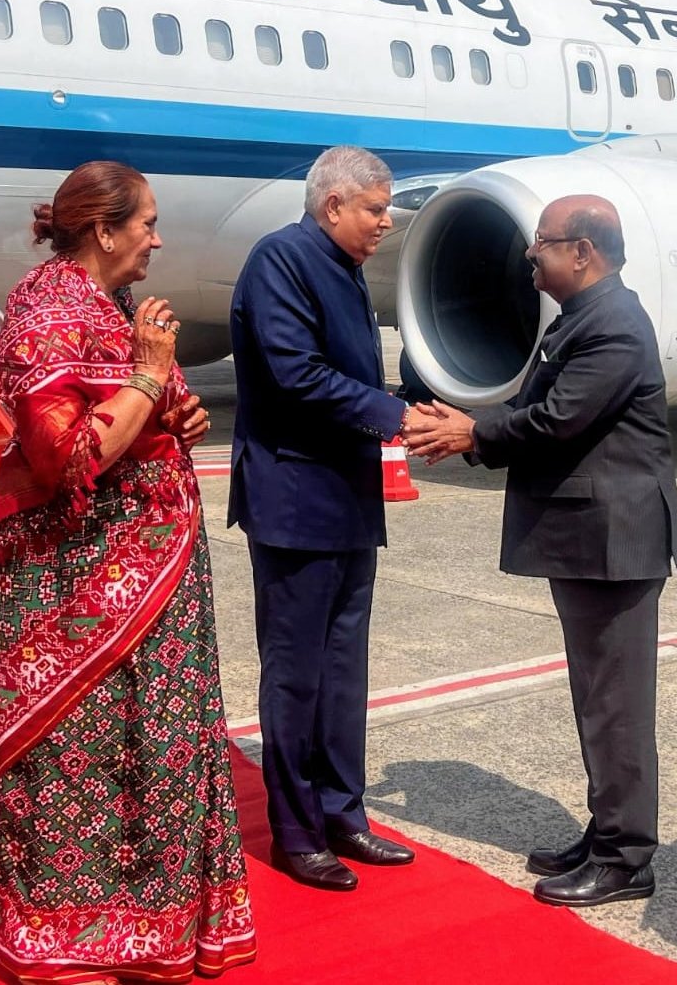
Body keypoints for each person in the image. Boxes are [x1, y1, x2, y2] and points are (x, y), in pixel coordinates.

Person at [0, 160, 256, 984]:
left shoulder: (110, 305)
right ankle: (67, 939)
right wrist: (148, 371)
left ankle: (159, 927)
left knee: (161, 746)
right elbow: (66, 453)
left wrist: (177, 409)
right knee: (72, 755)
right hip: (72, 582)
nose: (157, 239)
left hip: (153, 572)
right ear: (103, 230)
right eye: (146, 224)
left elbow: (139, 419)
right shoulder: (45, 308)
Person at [403, 195, 677, 907]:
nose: (531, 257)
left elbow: (559, 419)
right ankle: (609, 829)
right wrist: (474, 428)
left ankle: (626, 857)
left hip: (614, 544)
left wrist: (474, 434)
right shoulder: (585, 319)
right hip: (592, 540)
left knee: (615, 702)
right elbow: (544, 411)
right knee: (598, 697)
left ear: (583, 251)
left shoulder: (613, 325)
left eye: (543, 246)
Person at [228, 145, 435, 891]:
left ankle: (343, 813)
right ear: (333, 205)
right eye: (376, 208)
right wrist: (396, 416)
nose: (386, 220)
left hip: (346, 499)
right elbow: (295, 372)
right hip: (293, 501)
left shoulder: (343, 268)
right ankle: (294, 830)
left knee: (344, 671)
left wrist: (397, 416)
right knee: (297, 675)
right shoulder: (282, 259)